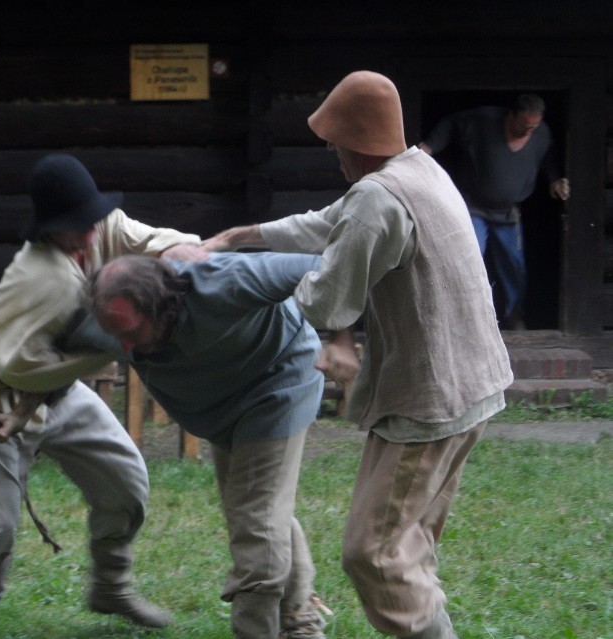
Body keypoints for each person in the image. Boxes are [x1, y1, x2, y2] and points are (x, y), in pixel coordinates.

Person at [203, 70, 514, 638]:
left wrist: (250, 285)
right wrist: (238, 237)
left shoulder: (379, 196)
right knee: (407, 545)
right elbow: (329, 224)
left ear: (354, 141)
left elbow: (327, 303)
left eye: (334, 144)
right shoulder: (418, 169)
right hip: (476, 386)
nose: (332, 154)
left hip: (431, 399)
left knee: (372, 553)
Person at [0, 153, 207, 639]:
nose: (91, 234)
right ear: (50, 226)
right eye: (77, 226)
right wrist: (120, 348)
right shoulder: (39, 279)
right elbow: (18, 366)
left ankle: (110, 587)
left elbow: (145, 239)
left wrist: (187, 251)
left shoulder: (100, 225)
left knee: (126, 480)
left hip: (61, 390)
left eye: (92, 220)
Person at [0, 250, 333, 638]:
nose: (124, 348)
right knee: (258, 509)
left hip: (277, 384)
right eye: (114, 335)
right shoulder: (105, 320)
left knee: (256, 523)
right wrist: (23, 410)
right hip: (219, 406)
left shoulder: (227, 281)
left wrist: (339, 338)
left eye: (132, 333)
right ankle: (302, 622)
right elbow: (65, 358)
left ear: (163, 307)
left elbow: (328, 265)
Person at [419, 93, 570, 329]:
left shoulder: (541, 134)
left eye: (533, 126)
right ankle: (465, 317)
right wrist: (429, 146)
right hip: (474, 208)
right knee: (469, 259)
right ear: (511, 115)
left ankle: (514, 314)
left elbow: (548, 159)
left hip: (508, 214)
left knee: (513, 265)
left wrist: (553, 180)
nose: (528, 131)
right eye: (524, 125)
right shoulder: (483, 120)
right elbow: (450, 123)